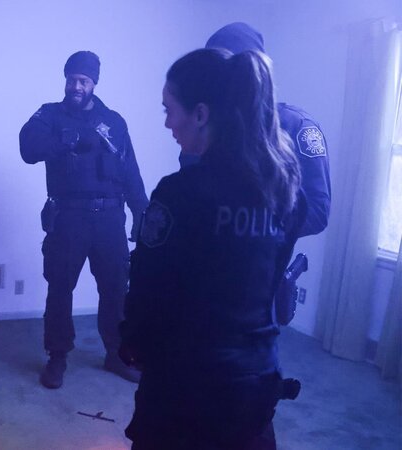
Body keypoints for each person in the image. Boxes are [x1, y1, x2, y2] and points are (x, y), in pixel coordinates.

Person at [119, 48, 305, 449]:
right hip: (255, 383)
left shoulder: (180, 193)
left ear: (201, 114)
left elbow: (148, 291)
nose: (167, 122)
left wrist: (133, 345)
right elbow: (270, 283)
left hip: (185, 389)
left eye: (169, 109)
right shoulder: (285, 189)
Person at [20, 51, 149, 389]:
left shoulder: (114, 122)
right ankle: (57, 356)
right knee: (60, 288)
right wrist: (68, 140)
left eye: (84, 81)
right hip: (68, 217)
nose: (77, 86)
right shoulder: (50, 115)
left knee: (115, 289)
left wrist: (141, 212)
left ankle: (116, 354)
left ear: (94, 83)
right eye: (72, 79)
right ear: (65, 80)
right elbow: (27, 148)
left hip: (109, 218)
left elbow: (130, 170)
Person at [205, 22, 331, 237]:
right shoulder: (209, 126)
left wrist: (256, 227)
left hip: (265, 253)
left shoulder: (298, 127)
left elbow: (318, 210)